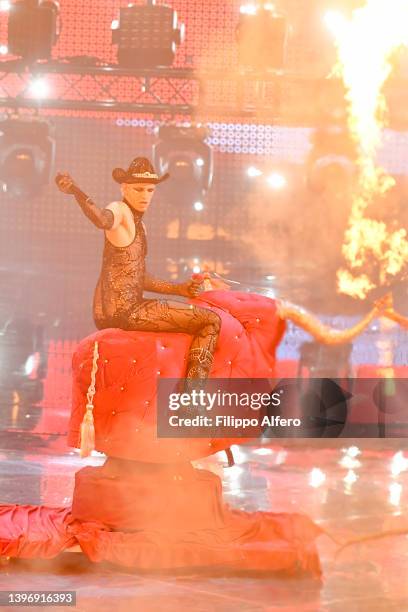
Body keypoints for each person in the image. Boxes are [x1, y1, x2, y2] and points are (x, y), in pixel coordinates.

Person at [56, 157, 221, 387]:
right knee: (210, 321)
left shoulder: (140, 225)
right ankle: (192, 399)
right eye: (139, 189)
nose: (145, 196)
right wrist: (76, 190)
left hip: (126, 308)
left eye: (150, 190)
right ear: (124, 188)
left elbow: (138, 277)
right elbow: (102, 219)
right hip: (124, 311)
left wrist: (179, 288)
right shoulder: (119, 210)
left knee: (199, 318)